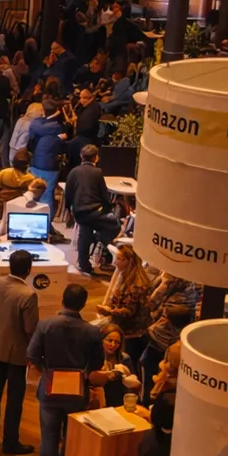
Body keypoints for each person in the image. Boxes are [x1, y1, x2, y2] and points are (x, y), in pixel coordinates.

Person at [29, 284, 104, 456]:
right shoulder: (92, 331)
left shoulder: (46, 325)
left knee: (49, 438)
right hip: (77, 391)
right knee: (71, 439)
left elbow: (32, 355)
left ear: (62, 300)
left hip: (50, 387)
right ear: (83, 304)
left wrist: (46, 371)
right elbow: (98, 363)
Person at [0, 249, 38, 455]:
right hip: (17, 352)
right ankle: (10, 442)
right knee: (15, 398)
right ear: (29, 270)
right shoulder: (28, 294)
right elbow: (30, 328)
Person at [64, 145, 119, 274]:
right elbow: (104, 195)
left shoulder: (73, 171)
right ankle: (103, 250)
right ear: (96, 158)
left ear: (81, 156)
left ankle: (84, 264)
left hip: (79, 213)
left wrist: (69, 211)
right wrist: (109, 208)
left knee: (85, 231)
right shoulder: (97, 172)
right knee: (115, 225)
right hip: (95, 212)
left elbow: (68, 193)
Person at [97, 240, 152, 363]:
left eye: (119, 258)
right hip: (124, 328)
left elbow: (129, 311)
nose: (115, 262)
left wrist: (109, 311)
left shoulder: (137, 284)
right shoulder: (125, 275)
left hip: (132, 333)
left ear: (129, 261)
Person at [26, 100, 69, 207]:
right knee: (48, 194)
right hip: (50, 165)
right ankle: (46, 215)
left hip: (35, 162)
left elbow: (31, 142)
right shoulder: (59, 127)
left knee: (33, 192)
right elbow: (61, 147)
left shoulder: (35, 123)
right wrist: (59, 139)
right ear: (57, 111)